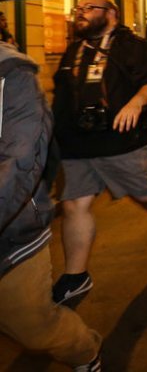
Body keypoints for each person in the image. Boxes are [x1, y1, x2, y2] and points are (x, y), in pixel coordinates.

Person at [51, 0, 147, 304]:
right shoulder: (73, 51)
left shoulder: (132, 46)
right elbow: (60, 97)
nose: (80, 14)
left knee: (144, 194)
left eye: (89, 8)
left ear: (111, 13)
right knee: (73, 205)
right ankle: (76, 276)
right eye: (78, 9)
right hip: (77, 143)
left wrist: (136, 102)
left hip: (120, 140)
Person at [0, 39, 102, 371]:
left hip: (12, 234)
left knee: (35, 329)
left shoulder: (12, 76)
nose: (82, 14)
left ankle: (85, 350)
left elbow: (20, 163)